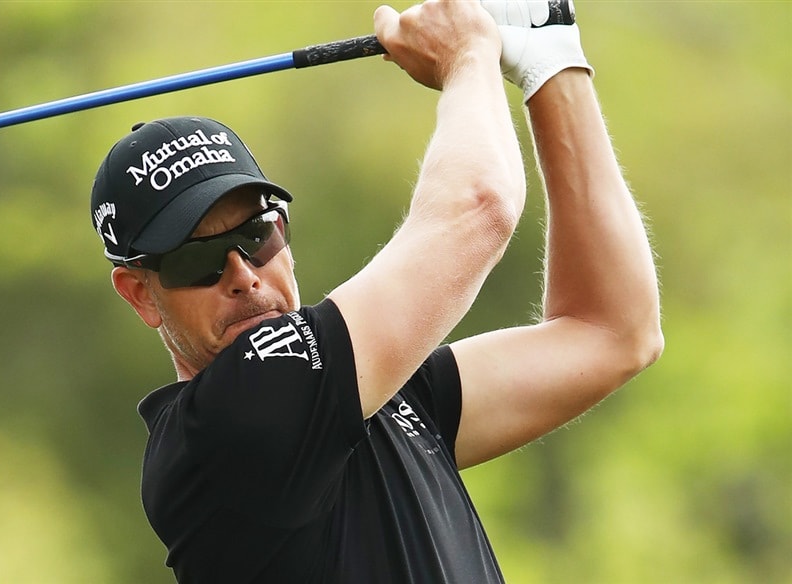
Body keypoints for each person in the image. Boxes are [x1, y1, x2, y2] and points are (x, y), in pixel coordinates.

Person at [88, 1, 663, 582]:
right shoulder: (227, 427)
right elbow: (478, 207)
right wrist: (468, 55)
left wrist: (552, 64)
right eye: (198, 258)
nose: (243, 274)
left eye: (257, 234)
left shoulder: (377, 397)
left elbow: (612, 332)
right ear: (139, 293)